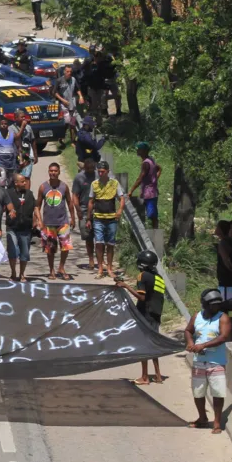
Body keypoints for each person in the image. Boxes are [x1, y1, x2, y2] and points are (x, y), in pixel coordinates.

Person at [185, 289, 232, 434]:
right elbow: (188, 330)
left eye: (217, 305)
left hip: (216, 362)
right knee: (198, 392)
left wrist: (203, 345)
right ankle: (202, 418)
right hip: (199, 361)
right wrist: (190, 342)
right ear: (205, 304)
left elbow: (223, 337)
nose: (215, 308)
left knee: (217, 392)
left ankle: (217, 422)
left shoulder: (223, 318)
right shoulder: (196, 316)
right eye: (212, 305)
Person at [116, 250, 166, 384]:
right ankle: (158, 375)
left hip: (146, 313)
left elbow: (142, 297)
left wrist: (125, 286)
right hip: (156, 314)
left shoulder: (142, 276)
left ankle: (144, 377)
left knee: (144, 344)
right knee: (153, 343)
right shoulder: (158, 277)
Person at [35, 162, 77, 280]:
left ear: (59, 172)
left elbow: (69, 202)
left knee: (66, 246)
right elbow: (37, 205)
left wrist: (73, 218)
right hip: (48, 223)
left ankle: (61, 267)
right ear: (48, 172)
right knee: (50, 249)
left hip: (63, 221)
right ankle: (51, 270)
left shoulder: (64, 186)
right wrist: (39, 220)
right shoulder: (43, 187)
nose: (53, 173)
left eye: (55, 171)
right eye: (51, 171)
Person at [89, 161, 123, 279]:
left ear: (108, 171)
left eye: (102, 171)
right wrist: (89, 218)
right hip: (98, 217)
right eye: (99, 171)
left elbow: (121, 198)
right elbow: (91, 201)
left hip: (111, 218)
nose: (100, 173)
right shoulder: (94, 184)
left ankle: (109, 268)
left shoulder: (114, 183)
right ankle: (100, 268)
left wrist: (119, 210)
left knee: (110, 244)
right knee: (99, 243)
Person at [6, 173, 37, 281]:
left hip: (25, 228)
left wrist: (38, 220)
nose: (25, 183)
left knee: (24, 252)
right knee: (13, 250)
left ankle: (22, 273)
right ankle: (13, 272)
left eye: (25, 181)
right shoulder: (9, 194)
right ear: (16, 183)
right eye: (22, 181)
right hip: (12, 227)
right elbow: (2, 206)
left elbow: (35, 207)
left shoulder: (29, 194)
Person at [72, 157, 98, 270]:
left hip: (98, 209)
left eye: (92, 168)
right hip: (83, 208)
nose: (91, 171)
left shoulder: (98, 176)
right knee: (88, 236)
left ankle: (100, 260)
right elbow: (75, 196)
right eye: (88, 169)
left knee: (100, 236)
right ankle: (91, 259)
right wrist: (77, 210)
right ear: (85, 168)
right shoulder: (79, 177)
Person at [128, 142, 162, 228]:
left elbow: (140, 178)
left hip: (149, 193)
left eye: (139, 149)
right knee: (146, 212)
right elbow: (159, 168)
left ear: (144, 151)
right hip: (150, 191)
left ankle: (155, 233)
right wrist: (154, 179)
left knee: (152, 215)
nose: (137, 151)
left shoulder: (146, 163)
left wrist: (131, 190)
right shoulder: (151, 159)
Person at [53, 64, 83, 145]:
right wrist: (63, 100)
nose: (69, 73)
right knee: (67, 122)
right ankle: (61, 137)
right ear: (64, 72)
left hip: (72, 103)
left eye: (70, 71)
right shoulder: (59, 81)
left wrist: (80, 96)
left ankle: (73, 141)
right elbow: (55, 93)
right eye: (67, 71)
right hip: (63, 105)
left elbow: (77, 89)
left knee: (72, 122)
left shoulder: (73, 79)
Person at [0, 117, 18, 181]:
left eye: (5, 124)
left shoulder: (13, 135)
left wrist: (20, 157)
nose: (4, 125)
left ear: (8, 125)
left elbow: (18, 146)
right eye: (2, 124)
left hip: (11, 161)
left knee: (11, 179)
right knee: (2, 179)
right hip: (0, 161)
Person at [16, 110, 38, 179]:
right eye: (21, 117)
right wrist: (22, 127)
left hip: (28, 156)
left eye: (24, 117)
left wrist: (35, 155)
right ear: (16, 118)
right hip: (17, 157)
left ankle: (27, 190)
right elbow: (16, 137)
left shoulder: (28, 127)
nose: (23, 119)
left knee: (27, 177)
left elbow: (33, 140)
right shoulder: (11, 128)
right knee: (18, 177)